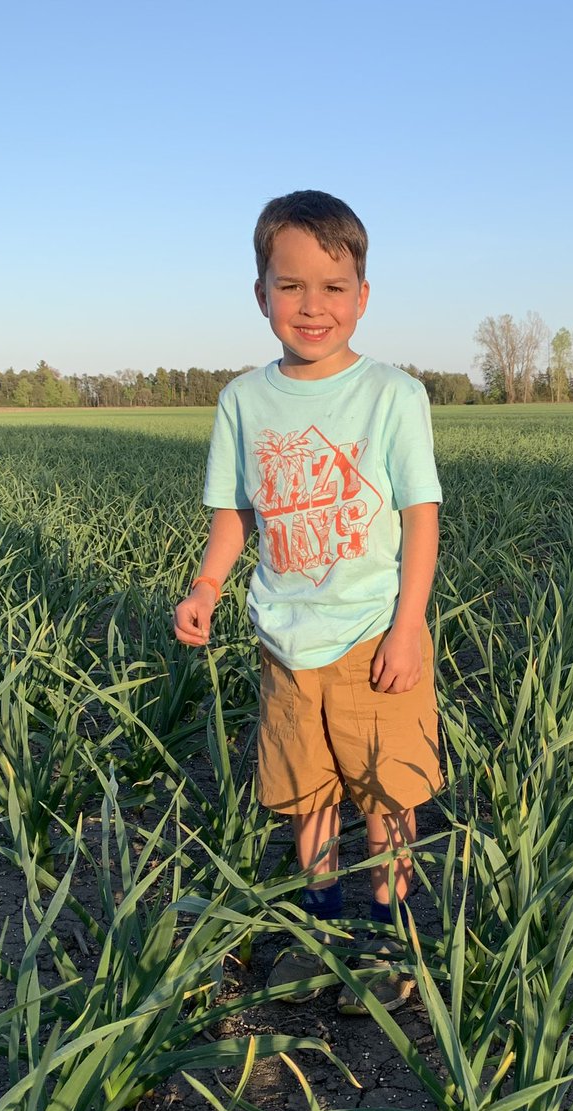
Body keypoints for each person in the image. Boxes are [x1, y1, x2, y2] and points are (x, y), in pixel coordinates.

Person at [173, 189, 442, 1015]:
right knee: (308, 796)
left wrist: (408, 627)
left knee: (387, 796)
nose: (312, 306)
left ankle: (388, 937)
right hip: (286, 644)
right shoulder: (243, 402)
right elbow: (234, 518)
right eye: (291, 286)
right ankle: (324, 933)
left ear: (363, 295)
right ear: (261, 295)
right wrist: (207, 584)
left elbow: (421, 517)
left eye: (333, 287)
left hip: (372, 639)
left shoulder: (393, 395)